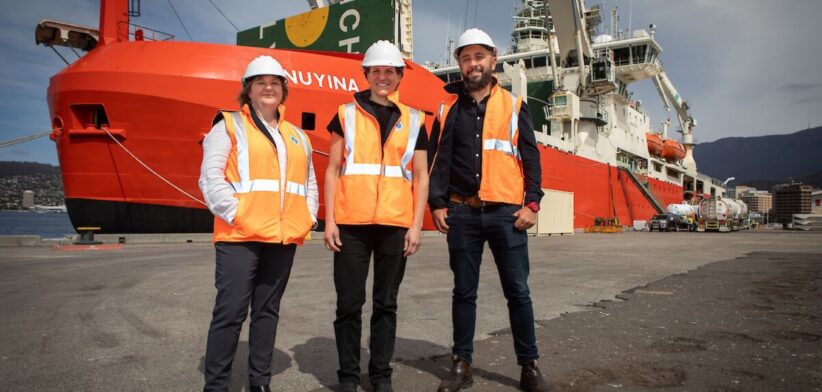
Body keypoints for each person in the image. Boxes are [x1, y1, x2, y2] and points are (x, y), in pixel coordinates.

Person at [427, 28, 549, 392]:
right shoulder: (447, 108)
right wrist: (437, 204)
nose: (473, 64)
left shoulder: (514, 105)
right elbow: (438, 160)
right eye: (466, 58)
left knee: (518, 292)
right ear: (459, 65)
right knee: (463, 292)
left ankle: (530, 366)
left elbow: (531, 158)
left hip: (506, 215)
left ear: (493, 60)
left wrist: (532, 202)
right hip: (462, 213)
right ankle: (461, 363)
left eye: (479, 57)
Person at [199, 55, 318, 392]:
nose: (268, 87)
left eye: (275, 82)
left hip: (283, 238)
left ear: (283, 90)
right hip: (239, 236)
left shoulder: (297, 136)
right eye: (260, 82)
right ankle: (217, 386)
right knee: (230, 313)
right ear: (248, 90)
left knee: (267, 313)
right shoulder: (227, 125)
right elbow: (210, 179)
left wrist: (308, 217)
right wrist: (240, 216)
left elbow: (309, 183)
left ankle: (260, 383)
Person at [323, 40, 429, 392]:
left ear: (399, 76)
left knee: (387, 304)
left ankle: (381, 375)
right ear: (366, 74)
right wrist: (330, 220)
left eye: (389, 72)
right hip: (351, 225)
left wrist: (416, 226)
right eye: (376, 71)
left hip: (395, 226)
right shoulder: (345, 113)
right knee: (349, 304)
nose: (382, 77)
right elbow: (333, 168)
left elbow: (421, 177)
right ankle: (349, 378)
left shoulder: (415, 120)